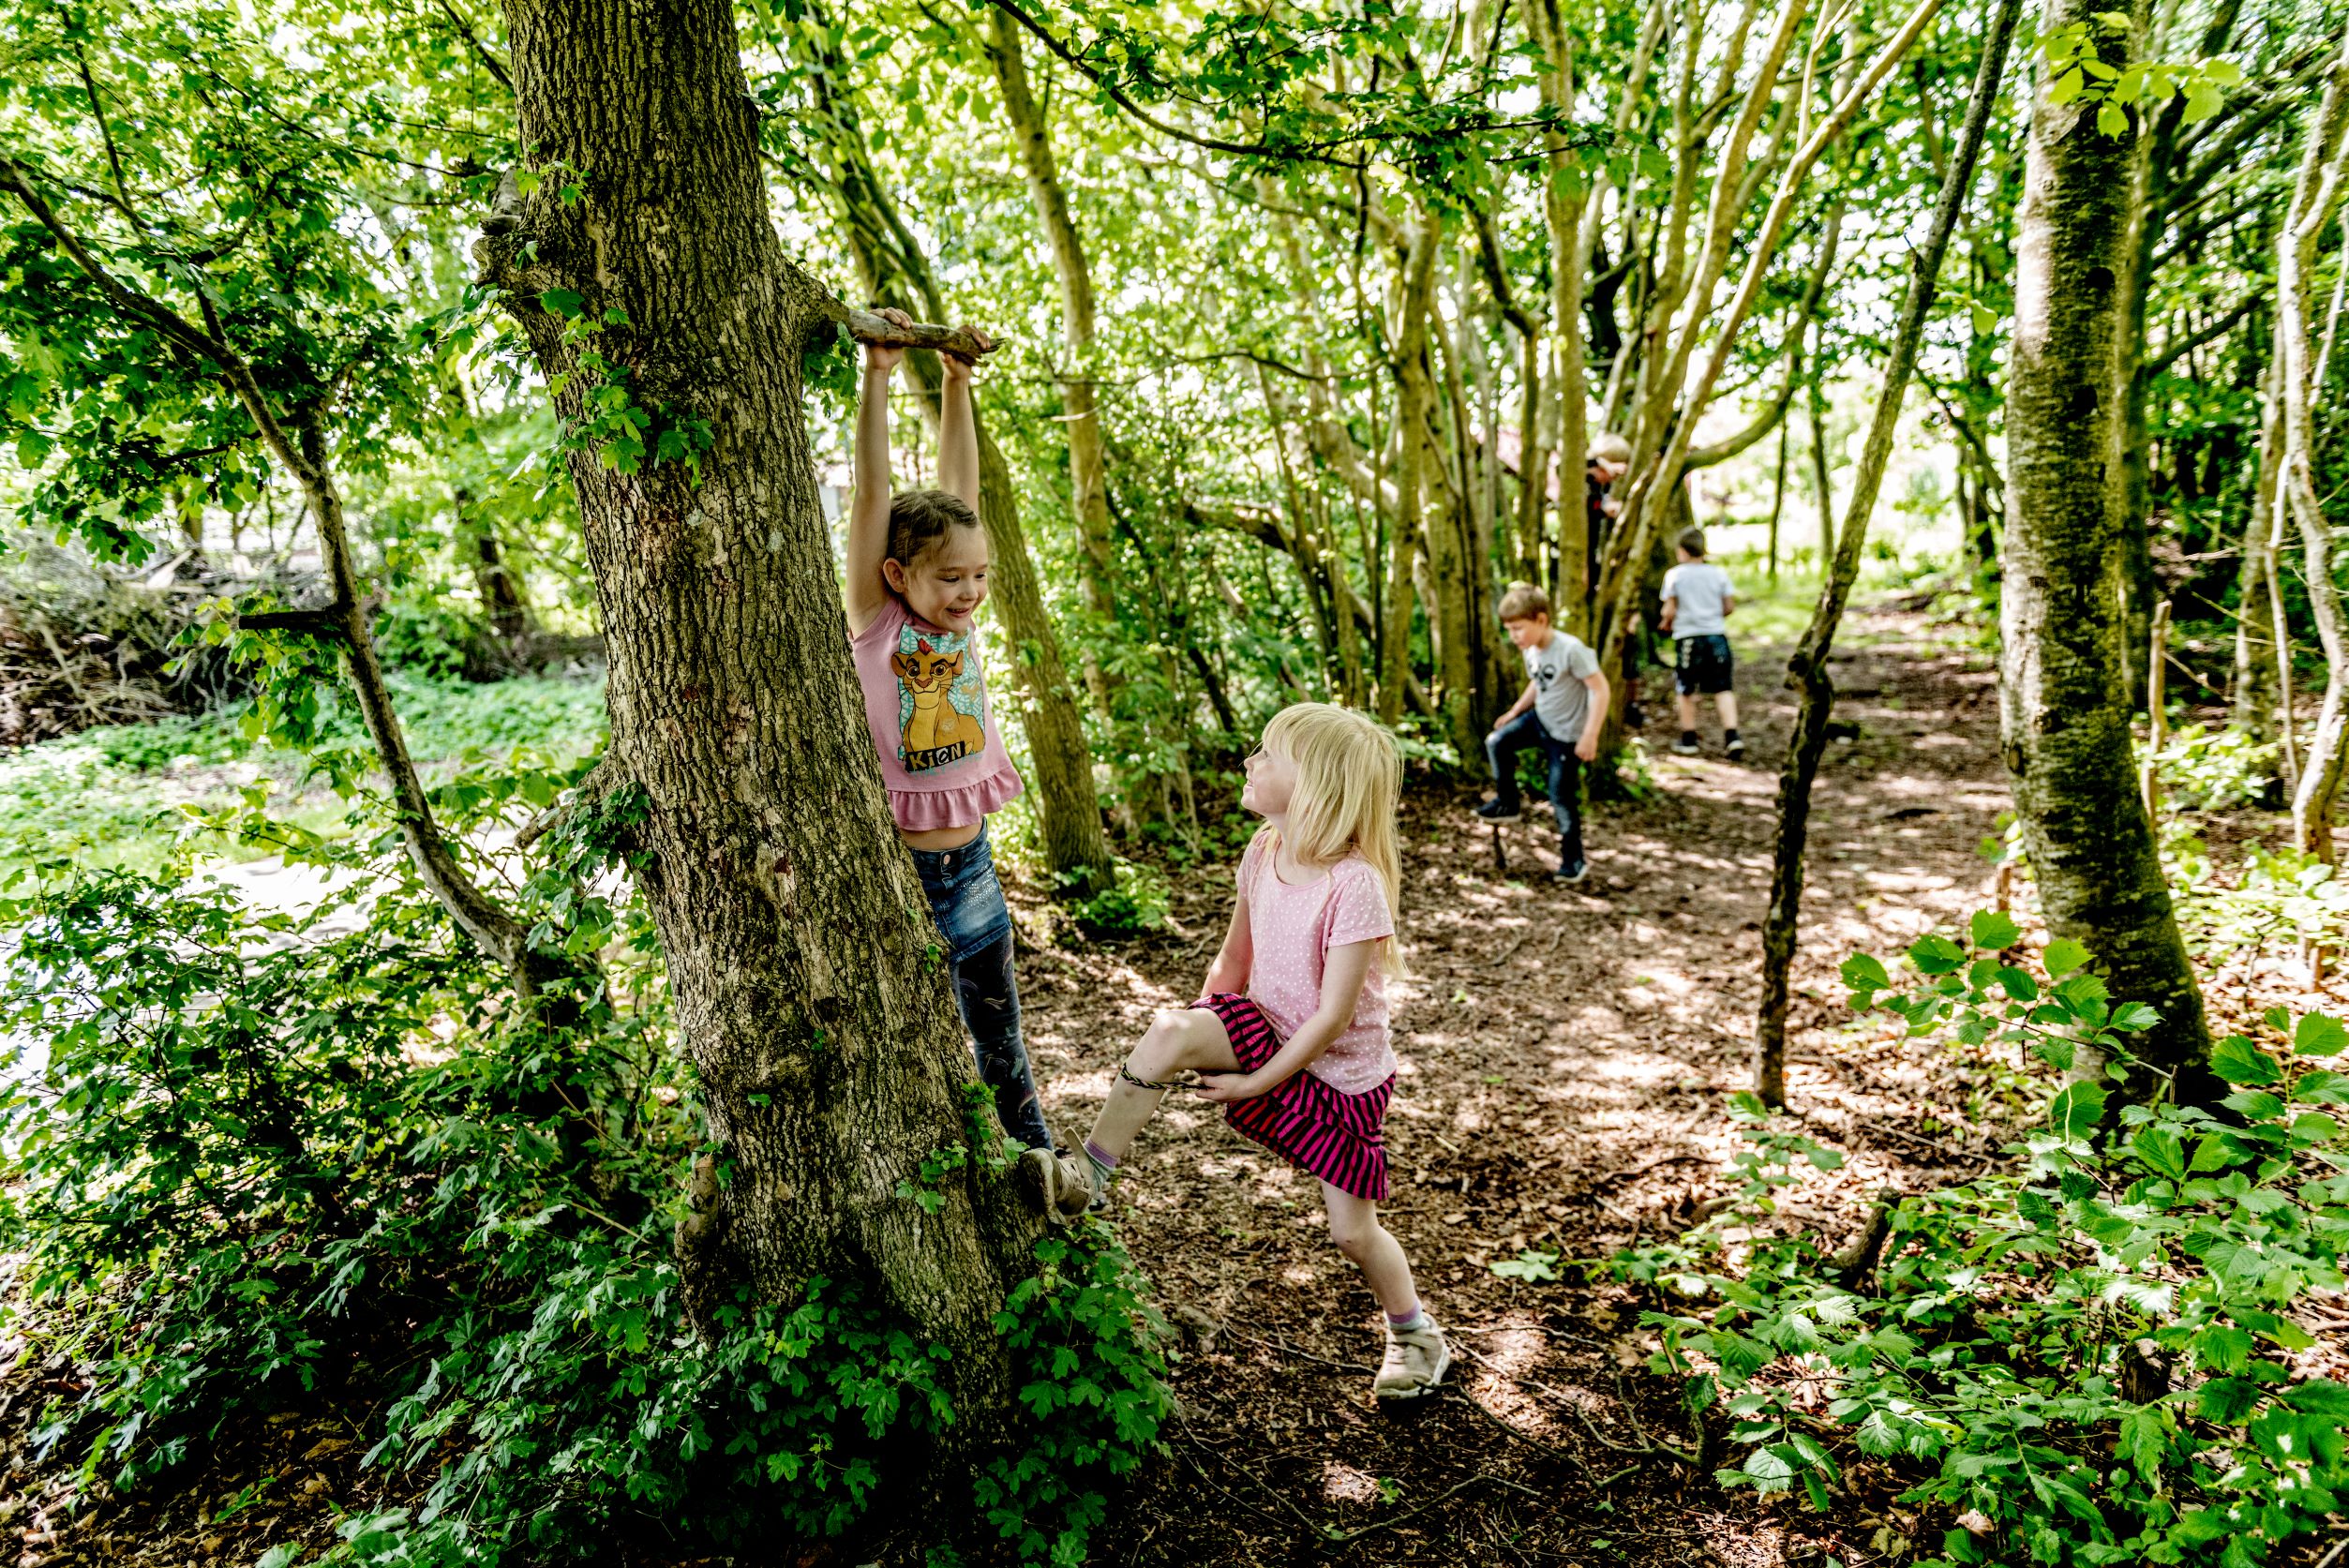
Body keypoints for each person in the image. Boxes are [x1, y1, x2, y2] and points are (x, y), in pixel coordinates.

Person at [1062, 703, 1448, 1405]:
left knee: (1351, 1234)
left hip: (1340, 1078)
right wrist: (1200, 1022)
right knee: (1170, 1030)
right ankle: (1089, 1171)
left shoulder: (1353, 884)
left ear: (1316, 785)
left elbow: (1331, 1019)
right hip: (1266, 1029)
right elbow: (1232, 961)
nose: (1250, 762)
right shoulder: (1263, 850)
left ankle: (1415, 1332)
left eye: (1268, 754)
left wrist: (1250, 1085)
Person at [847, 306, 1091, 1219]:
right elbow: (873, 500)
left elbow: (962, 492)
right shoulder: (876, 623)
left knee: (1000, 1031)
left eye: (979, 575)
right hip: (899, 875)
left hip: (973, 865)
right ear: (895, 573)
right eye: (950, 577)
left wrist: (956, 380)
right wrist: (876, 375)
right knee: (916, 1038)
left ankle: (1036, 1167)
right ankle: (928, 1187)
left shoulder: (963, 610)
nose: (970, 591)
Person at [1475, 583, 1608, 884]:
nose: (1514, 637)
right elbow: (1538, 682)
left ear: (1541, 620)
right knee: (1497, 741)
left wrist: (1590, 734)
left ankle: (1574, 861)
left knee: (1560, 796)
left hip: (1567, 734)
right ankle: (1507, 802)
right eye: (1509, 630)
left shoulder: (1571, 650)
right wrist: (1515, 712)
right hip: (1540, 720)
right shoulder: (1530, 650)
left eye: (1518, 628)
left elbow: (1600, 690)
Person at [1660, 526, 1742, 758]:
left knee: (1685, 688)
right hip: (1716, 637)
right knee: (1723, 687)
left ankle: (1688, 737)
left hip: (1687, 638)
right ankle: (1732, 736)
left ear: (1682, 551)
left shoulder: (1674, 575)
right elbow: (1729, 606)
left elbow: (1670, 609)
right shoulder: (1718, 574)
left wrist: (1667, 622)